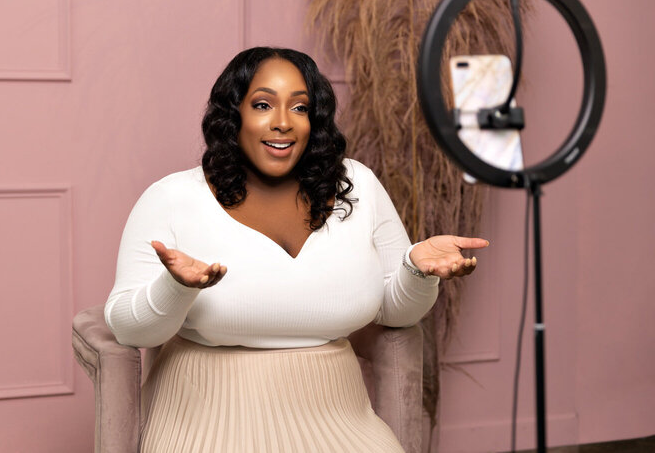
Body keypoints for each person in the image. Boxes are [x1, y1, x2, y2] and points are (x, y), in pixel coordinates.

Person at [104, 47, 489, 452]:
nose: (283, 123)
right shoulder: (172, 197)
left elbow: (393, 312)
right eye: (263, 104)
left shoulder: (357, 185)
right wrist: (177, 288)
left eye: (300, 108)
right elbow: (127, 327)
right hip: (207, 416)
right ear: (234, 115)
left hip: (340, 417)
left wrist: (415, 270)